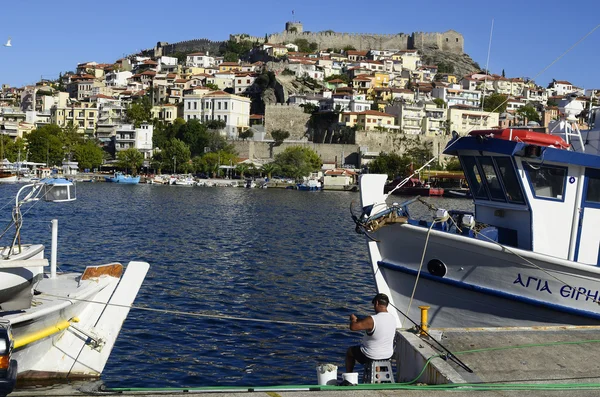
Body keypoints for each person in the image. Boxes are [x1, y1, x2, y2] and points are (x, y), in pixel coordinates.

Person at [345, 293, 397, 373]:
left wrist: (353, 319)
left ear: (376, 303)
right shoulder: (393, 318)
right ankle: (378, 379)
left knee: (350, 352)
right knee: (377, 352)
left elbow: (353, 327)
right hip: (387, 355)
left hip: (370, 355)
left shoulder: (372, 319)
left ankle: (348, 377)